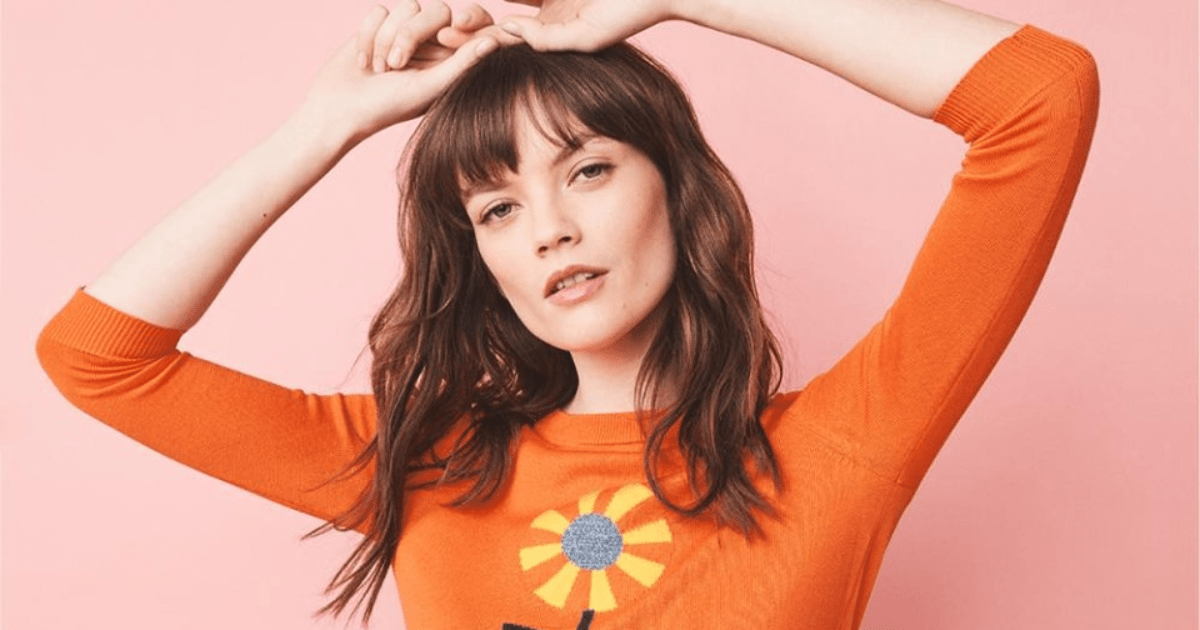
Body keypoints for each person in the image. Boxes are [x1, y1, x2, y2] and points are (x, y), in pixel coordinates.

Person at [35, 0, 1099, 627]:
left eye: (587, 170)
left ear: (681, 191)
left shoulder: (838, 445)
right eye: (497, 206)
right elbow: (96, 355)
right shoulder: (422, 460)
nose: (545, 229)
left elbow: (1040, 98)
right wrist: (328, 124)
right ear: (482, 254)